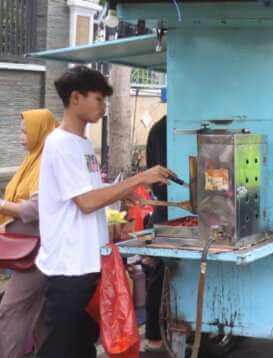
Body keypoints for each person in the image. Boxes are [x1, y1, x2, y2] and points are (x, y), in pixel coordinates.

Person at [35, 66, 173, 358]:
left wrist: (126, 197)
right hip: (67, 267)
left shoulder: (83, 144)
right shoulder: (60, 144)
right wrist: (139, 179)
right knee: (59, 348)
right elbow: (86, 202)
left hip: (89, 264)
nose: (103, 107)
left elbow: (93, 195)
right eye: (98, 99)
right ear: (75, 98)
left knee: (84, 344)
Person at [0, 109, 57, 358]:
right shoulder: (33, 159)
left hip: (37, 251)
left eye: (25, 132)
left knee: (11, 310)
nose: (21, 137)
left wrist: (1, 206)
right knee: (40, 314)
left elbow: (35, 209)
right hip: (27, 250)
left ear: (40, 131)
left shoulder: (47, 161)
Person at [142, 114, 168, 352]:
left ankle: (155, 336)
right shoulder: (163, 129)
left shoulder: (158, 128)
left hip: (164, 208)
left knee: (158, 274)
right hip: (168, 210)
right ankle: (154, 337)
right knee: (157, 271)